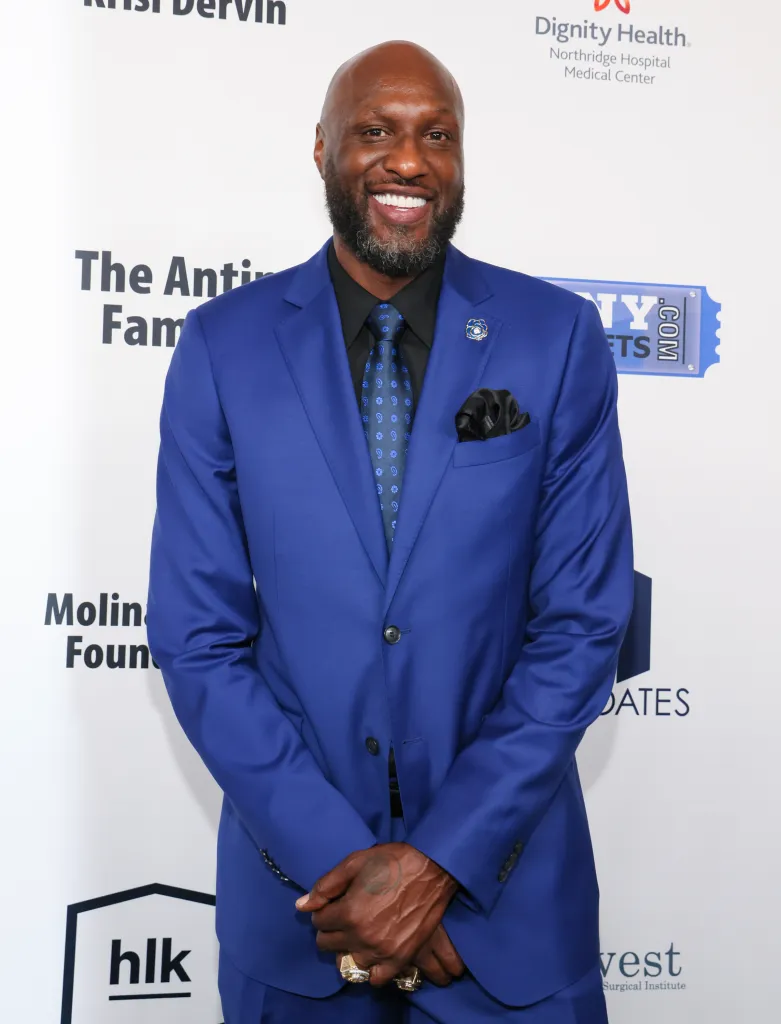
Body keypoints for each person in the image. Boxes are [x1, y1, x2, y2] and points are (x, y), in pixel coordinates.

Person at [147, 38, 633, 1024]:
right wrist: (357, 871)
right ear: (322, 150)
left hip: (508, 928)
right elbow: (197, 640)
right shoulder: (221, 347)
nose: (407, 160)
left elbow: (583, 627)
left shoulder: (556, 339)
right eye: (375, 131)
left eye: (436, 136)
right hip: (304, 925)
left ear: (459, 163)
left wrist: (440, 862)